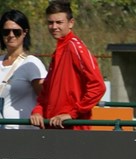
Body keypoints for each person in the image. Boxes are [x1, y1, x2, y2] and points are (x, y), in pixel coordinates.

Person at [29, 1, 105, 130]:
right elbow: (46, 91)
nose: (54, 27)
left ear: (71, 23)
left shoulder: (75, 47)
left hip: (73, 129)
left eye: (59, 22)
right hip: (53, 127)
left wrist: (72, 113)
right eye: (50, 22)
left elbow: (98, 86)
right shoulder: (59, 51)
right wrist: (37, 111)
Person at [0, 10, 46, 129]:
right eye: (6, 31)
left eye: (16, 32)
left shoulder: (31, 63)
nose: (11, 35)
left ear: (25, 33)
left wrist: (37, 114)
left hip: (22, 133)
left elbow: (45, 98)